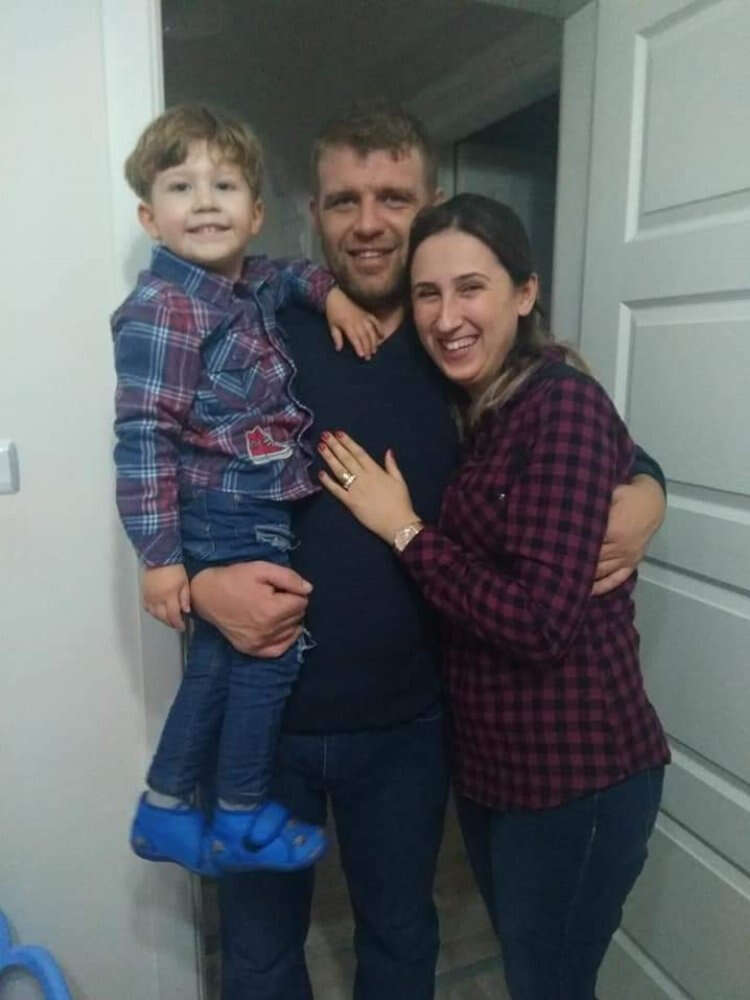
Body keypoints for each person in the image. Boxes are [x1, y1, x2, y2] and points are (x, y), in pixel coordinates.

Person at [189, 103, 667, 999]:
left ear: (429, 203)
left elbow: (586, 438)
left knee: (402, 936)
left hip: (409, 726)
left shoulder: (459, 347)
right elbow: (172, 465)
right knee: (257, 952)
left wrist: (649, 493)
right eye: (345, 201)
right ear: (313, 212)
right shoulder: (255, 335)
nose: (369, 223)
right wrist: (203, 586)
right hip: (260, 712)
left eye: (394, 198)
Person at [317, 192, 670, 1000]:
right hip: (498, 771)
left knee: (548, 984)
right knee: (533, 972)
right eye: (427, 293)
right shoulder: (473, 403)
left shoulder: (560, 404)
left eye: (470, 288)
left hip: (579, 775)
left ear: (524, 292)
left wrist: (404, 530)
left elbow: (539, 623)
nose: (446, 318)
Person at [112, 105, 381, 878]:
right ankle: (238, 813)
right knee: (271, 652)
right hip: (228, 509)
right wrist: (160, 558)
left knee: (216, 664)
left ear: (255, 212)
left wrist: (331, 295)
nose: (204, 202)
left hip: (252, 505)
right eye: (181, 187)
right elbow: (142, 437)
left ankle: (166, 807)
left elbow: (291, 272)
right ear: (150, 217)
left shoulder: (251, 283)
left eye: (224, 186)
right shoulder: (165, 308)